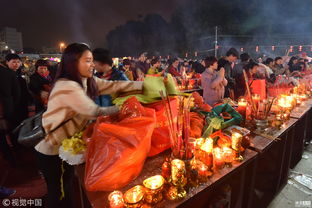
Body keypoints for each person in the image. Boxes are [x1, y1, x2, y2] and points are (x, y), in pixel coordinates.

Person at [34, 43, 143, 208]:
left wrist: (145, 85)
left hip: (66, 147)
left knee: (68, 185)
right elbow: (93, 111)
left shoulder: (87, 80)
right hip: (52, 150)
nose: (93, 65)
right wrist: (125, 107)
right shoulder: (67, 85)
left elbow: (115, 85)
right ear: (73, 62)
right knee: (59, 194)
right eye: (88, 61)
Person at [0, 59, 20, 166]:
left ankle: (8, 155)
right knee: (12, 131)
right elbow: (16, 93)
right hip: (8, 107)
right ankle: (16, 154)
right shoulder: (8, 73)